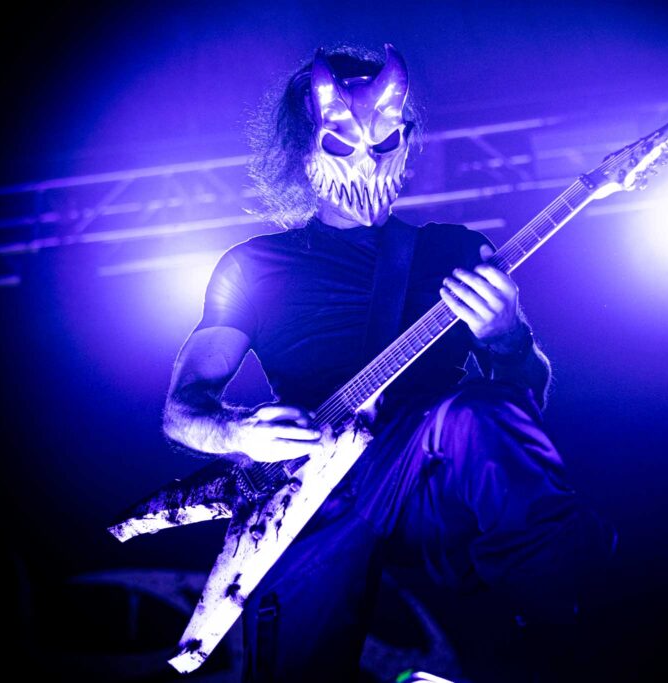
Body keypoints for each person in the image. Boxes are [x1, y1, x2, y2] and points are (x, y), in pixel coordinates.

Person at [161, 43, 617, 683]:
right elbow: (182, 409)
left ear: (407, 138)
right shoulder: (253, 268)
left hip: (423, 475)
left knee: (478, 414)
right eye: (341, 142)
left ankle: (567, 627)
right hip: (311, 497)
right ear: (301, 147)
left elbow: (523, 397)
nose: (368, 160)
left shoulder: (454, 249)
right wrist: (240, 432)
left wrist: (509, 335)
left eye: (385, 141)